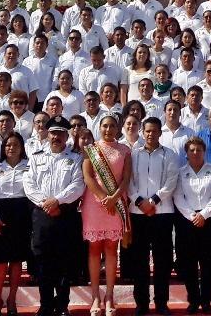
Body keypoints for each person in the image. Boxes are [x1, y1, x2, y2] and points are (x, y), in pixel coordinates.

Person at [24, 116, 85, 316]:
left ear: (67, 135)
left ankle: (62, 305)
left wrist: (57, 201)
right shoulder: (36, 157)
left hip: (66, 214)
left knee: (65, 261)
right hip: (42, 214)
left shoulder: (75, 158)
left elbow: (78, 185)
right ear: (47, 134)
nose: (56, 136)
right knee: (43, 261)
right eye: (53, 133)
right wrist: (46, 203)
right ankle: (46, 304)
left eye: (60, 133)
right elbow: (29, 185)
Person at [126, 117, 178, 316]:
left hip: (162, 213)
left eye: (154, 131)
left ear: (160, 133)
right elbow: (128, 181)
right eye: (147, 131)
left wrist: (154, 201)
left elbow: (171, 181)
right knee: (139, 261)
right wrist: (140, 202)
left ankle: (161, 303)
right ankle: (142, 303)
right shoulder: (134, 154)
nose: (150, 134)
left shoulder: (169, 154)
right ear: (142, 132)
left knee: (162, 261)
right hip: (138, 213)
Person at [81, 114, 132, 316]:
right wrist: (104, 198)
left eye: (112, 126)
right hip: (94, 205)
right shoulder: (91, 150)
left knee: (112, 250)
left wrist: (114, 198)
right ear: (99, 128)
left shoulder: (125, 150)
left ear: (118, 129)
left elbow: (126, 179)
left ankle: (109, 296)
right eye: (105, 126)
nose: (108, 129)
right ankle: (95, 296)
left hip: (116, 203)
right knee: (94, 249)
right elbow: (88, 177)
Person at [173, 137, 211, 314]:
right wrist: (193, 215)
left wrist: (204, 215)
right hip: (187, 221)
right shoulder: (180, 173)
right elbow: (178, 197)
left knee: (208, 263)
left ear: (204, 151)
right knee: (189, 263)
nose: (195, 153)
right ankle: (193, 299)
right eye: (192, 150)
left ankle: (206, 300)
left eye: (199, 150)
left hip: (209, 221)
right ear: (186, 153)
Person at [0, 132, 31, 316]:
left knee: (17, 259)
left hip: (21, 215)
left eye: (15, 145)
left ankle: (12, 298)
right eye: (8, 145)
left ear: (22, 148)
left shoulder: (29, 167)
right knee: (0, 260)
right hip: (0, 215)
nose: (11, 148)